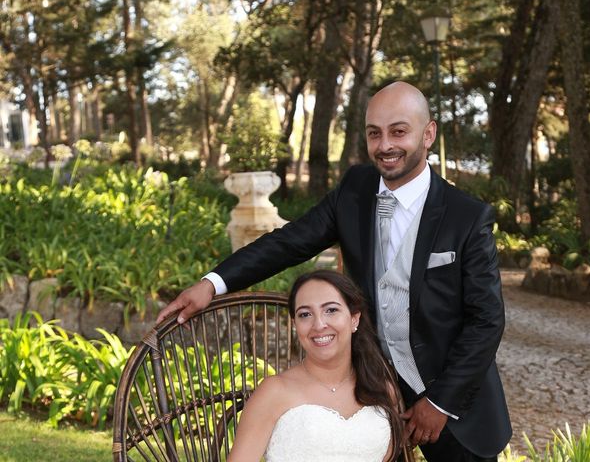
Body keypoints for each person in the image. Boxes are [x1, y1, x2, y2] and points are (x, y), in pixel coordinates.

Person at [158, 80, 512, 462]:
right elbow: (288, 242)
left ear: (428, 134)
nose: (385, 145)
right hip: (373, 396)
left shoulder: (467, 217)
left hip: (456, 406)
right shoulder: (355, 190)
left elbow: (487, 320)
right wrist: (213, 284)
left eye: (398, 131)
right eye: (374, 134)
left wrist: (440, 403)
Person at [227, 269, 403, 462]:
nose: (319, 324)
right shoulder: (274, 391)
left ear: (354, 318)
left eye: (331, 310)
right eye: (305, 314)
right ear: (295, 324)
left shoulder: (381, 389)